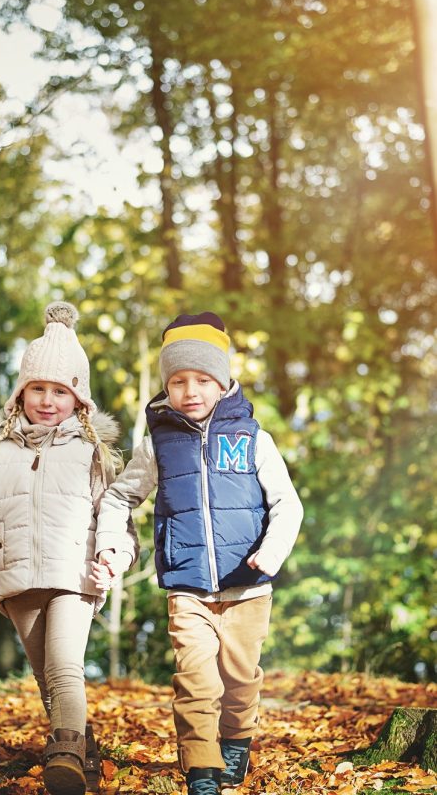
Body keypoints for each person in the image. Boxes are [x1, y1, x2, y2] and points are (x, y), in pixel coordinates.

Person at [93, 312, 304, 795]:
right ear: (166, 387)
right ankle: (202, 770)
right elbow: (119, 497)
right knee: (195, 682)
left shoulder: (253, 440)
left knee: (240, 678)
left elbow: (287, 505)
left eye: (203, 379)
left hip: (248, 586)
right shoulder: (157, 447)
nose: (191, 390)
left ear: (223, 381)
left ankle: (236, 742)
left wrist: (271, 553)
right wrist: (111, 546)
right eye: (178, 380)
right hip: (187, 587)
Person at [0, 302, 138, 795]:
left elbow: (118, 518)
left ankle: (66, 752)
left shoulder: (92, 455)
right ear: (21, 394)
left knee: (65, 666)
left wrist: (111, 557)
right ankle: (82, 753)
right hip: (18, 579)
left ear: (79, 400)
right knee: (44, 674)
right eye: (38, 389)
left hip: (74, 576)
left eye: (60, 391)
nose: (48, 400)